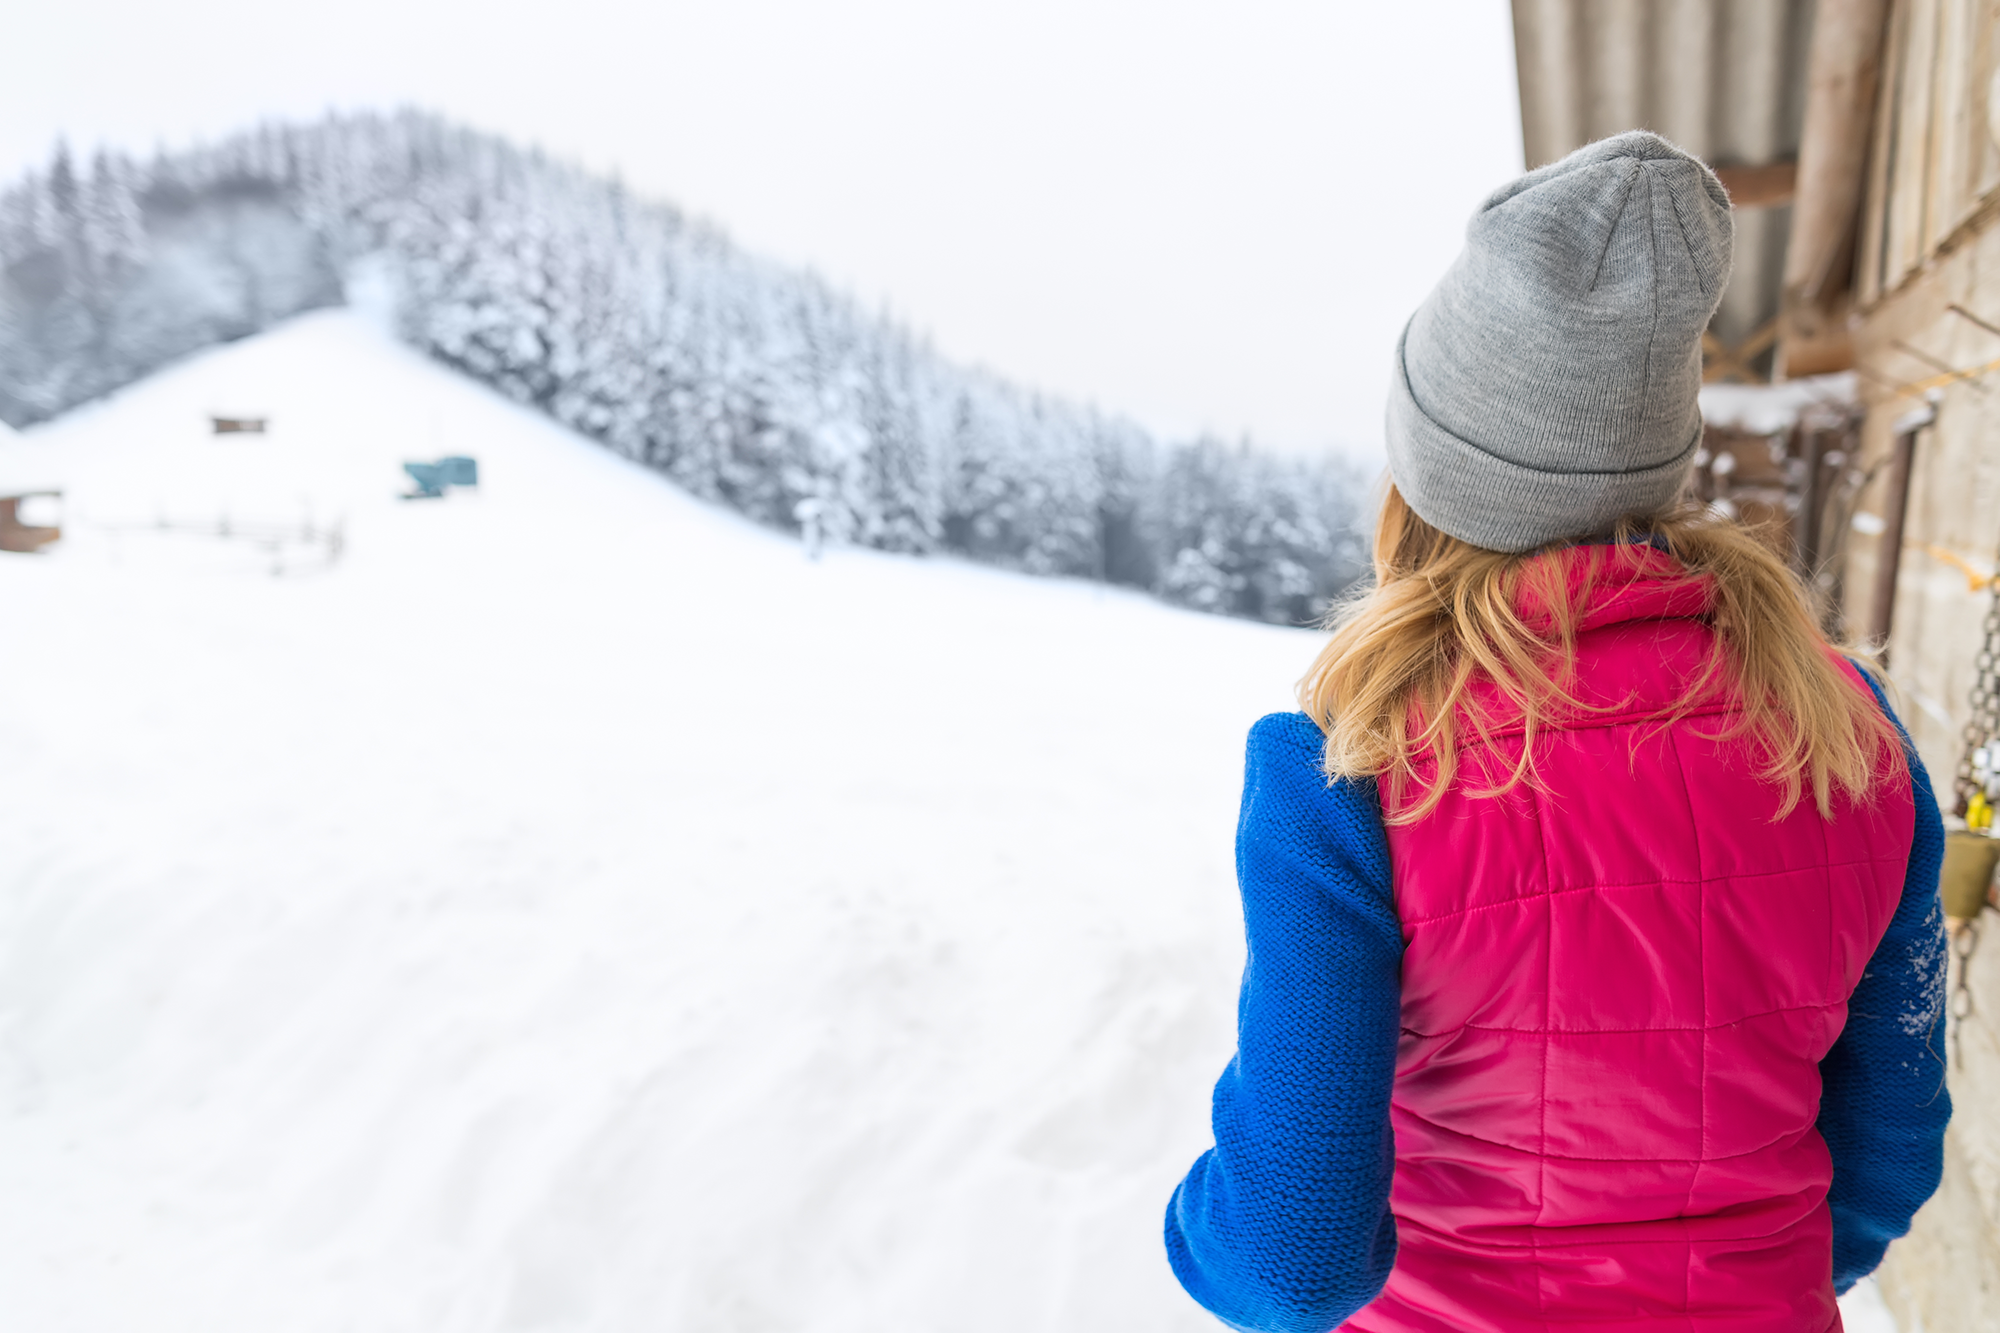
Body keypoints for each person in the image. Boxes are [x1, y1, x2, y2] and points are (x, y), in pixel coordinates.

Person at [1164, 131, 1949, 1332]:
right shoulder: (1850, 737)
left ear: (1424, 480)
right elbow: (1887, 1147)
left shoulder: (1349, 769)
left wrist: (1188, 1224)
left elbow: (1289, 1254)